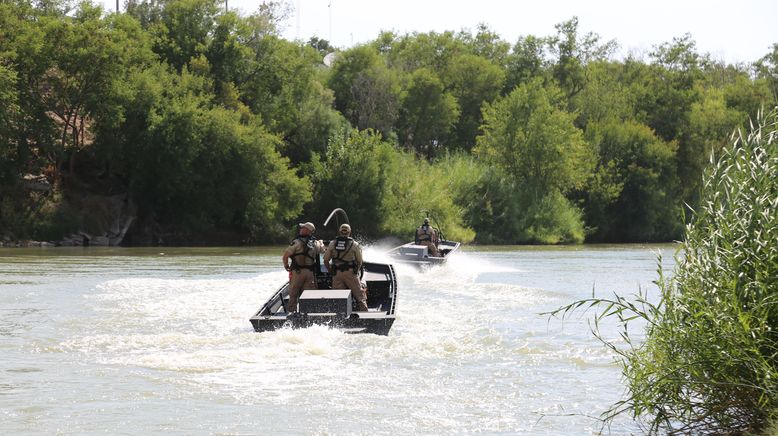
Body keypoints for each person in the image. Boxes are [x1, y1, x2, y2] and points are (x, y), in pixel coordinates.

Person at [324, 223, 368, 312]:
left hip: (336, 274)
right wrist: (356, 270)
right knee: (360, 296)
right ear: (349, 232)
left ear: (340, 231)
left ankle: (339, 317)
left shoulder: (332, 243)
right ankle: (365, 314)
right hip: (350, 273)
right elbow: (360, 261)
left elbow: (325, 260)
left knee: (338, 297)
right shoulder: (354, 244)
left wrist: (330, 271)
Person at [282, 222, 324, 313]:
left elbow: (285, 256)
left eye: (303, 228)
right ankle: (308, 314)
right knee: (309, 295)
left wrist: (286, 266)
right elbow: (322, 250)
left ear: (308, 230)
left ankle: (292, 314)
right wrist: (321, 242)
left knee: (293, 293)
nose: (300, 229)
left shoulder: (296, 242)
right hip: (310, 273)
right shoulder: (316, 243)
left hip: (297, 273)